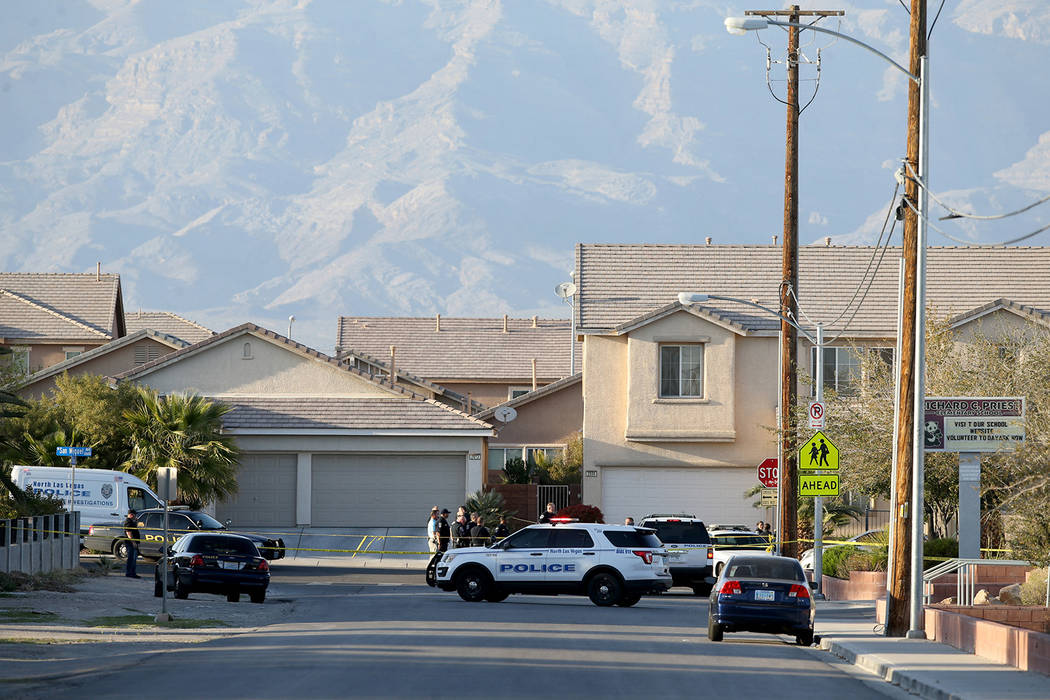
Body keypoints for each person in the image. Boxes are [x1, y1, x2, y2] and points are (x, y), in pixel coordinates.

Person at [123, 509, 140, 578]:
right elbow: (129, 533)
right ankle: (129, 573)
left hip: (133, 542)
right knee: (131, 559)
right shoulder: (128, 522)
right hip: (130, 543)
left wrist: (136, 521)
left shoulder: (131, 521)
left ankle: (132, 573)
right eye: (135, 515)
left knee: (133, 558)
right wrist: (133, 542)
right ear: (131, 514)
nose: (135, 516)